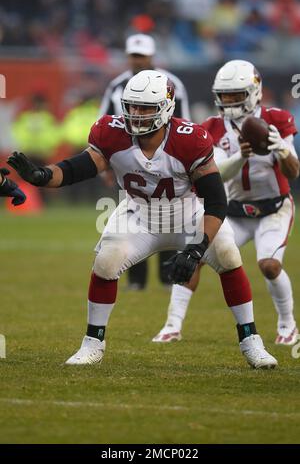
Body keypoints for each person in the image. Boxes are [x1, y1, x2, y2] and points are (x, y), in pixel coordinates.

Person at [8, 69, 277, 369]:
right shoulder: (111, 132)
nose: (136, 114)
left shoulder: (189, 139)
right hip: (139, 214)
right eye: (132, 106)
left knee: (228, 255)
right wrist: (42, 176)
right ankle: (92, 343)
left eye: (146, 108)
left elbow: (216, 201)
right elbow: (77, 169)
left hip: (188, 213)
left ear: (166, 107)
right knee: (106, 261)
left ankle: (251, 339)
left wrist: (197, 248)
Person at [153, 60, 299, 346]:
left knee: (269, 265)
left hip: (273, 209)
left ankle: (288, 324)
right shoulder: (210, 127)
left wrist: (281, 148)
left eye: (236, 95)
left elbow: (293, 172)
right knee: (193, 256)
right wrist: (242, 156)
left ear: (255, 91)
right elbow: (217, 174)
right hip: (232, 210)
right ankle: (172, 325)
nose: (229, 101)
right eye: (225, 95)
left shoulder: (277, 119)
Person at [100, 33, 190, 290]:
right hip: (128, 159)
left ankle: (167, 277)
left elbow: (185, 122)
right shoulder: (116, 86)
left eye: (142, 55)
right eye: (134, 55)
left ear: (151, 56)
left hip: (167, 158)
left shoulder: (172, 83)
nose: (137, 60)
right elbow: (105, 123)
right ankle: (136, 280)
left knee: (170, 215)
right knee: (133, 216)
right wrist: (105, 164)